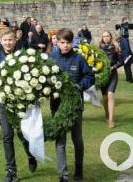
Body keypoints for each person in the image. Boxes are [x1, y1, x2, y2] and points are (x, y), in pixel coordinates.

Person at [0, 26, 36, 181]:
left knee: (23, 134)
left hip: (20, 104)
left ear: (16, 40)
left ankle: (31, 155)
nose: (8, 43)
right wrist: (0, 94)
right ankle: (11, 171)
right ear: (0, 40)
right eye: (5, 40)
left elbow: (30, 77)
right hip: (4, 104)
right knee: (7, 136)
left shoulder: (23, 57)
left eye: (10, 40)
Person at [53, 28, 95, 182]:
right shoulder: (52, 58)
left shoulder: (79, 59)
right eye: (62, 42)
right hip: (57, 105)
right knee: (60, 141)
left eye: (68, 42)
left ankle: (78, 169)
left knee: (77, 138)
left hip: (75, 106)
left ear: (72, 43)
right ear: (57, 43)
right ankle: (63, 174)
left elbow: (90, 77)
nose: (65, 45)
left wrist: (79, 86)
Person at [99, 31, 123, 129]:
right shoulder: (98, 49)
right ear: (102, 38)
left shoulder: (115, 47)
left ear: (110, 37)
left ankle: (111, 119)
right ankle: (107, 113)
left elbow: (121, 61)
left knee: (110, 94)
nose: (106, 38)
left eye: (107, 36)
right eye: (104, 36)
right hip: (103, 76)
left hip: (113, 74)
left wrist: (113, 67)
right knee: (105, 97)